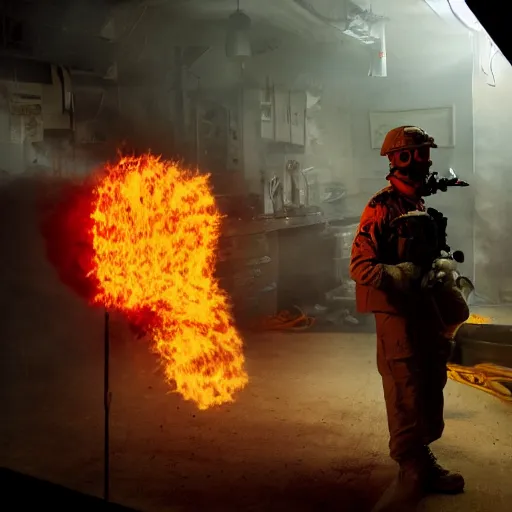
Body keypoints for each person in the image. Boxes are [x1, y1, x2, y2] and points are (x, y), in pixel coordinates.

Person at [349, 125, 465, 497]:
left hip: (422, 307)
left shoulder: (417, 204)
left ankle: (423, 455)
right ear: (402, 158)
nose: (425, 161)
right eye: (418, 153)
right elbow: (359, 267)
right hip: (396, 313)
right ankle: (409, 463)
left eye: (426, 153)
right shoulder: (380, 208)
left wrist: (442, 265)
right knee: (405, 387)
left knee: (432, 378)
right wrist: (396, 274)